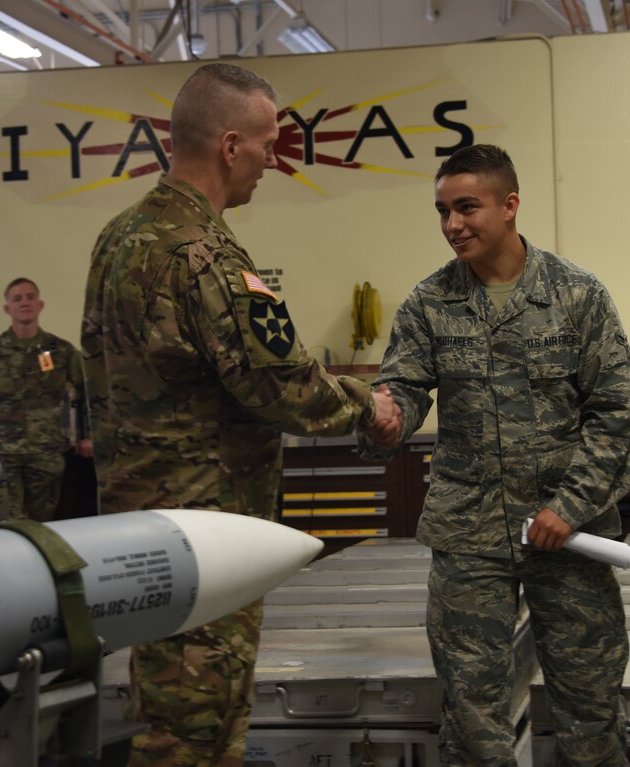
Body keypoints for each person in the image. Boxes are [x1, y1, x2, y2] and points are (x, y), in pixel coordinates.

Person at [81, 63, 398, 767]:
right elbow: (279, 385)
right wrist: (366, 404)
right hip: (205, 539)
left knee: (168, 713)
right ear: (230, 146)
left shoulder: (118, 241)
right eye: (267, 143)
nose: (271, 160)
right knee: (197, 729)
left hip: (141, 531)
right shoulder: (206, 255)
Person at [360, 144, 630, 765]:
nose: (452, 224)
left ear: (510, 205)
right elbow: (401, 392)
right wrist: (384, 421)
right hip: (470, 537)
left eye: (467, 207)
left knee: (589, 707)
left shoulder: (577, 296)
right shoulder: (430, 302)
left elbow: (615, 414)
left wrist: (569, 506)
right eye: (442, 211)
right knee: (471, 713)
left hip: (567, 535)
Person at [0, 277, 93, 522]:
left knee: (44, 523)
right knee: (9, 522)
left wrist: (89, 435)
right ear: (7, 308)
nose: (25, 302)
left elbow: (90, 394)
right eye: (17, 298)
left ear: (40, 304)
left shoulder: (60, 351)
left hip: (46, 454)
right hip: (2, 455)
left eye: (31, 297)